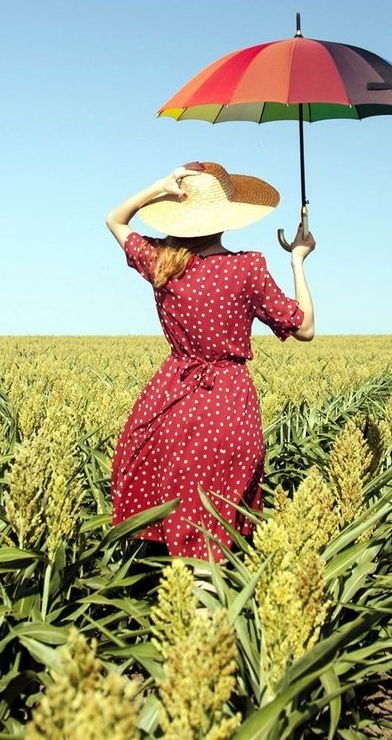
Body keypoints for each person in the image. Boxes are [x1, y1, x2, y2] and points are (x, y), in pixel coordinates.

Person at [104, 161, 316, 569]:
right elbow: (303, 328)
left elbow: (115, 220)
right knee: (213, 520)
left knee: (170, 507)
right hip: (226, 403)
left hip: (170, 401)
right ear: (227, 219)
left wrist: (160, 186)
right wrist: (299, 260)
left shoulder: (161, 262)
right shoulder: (247, 268)